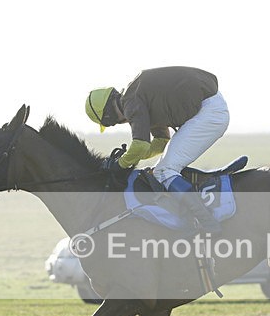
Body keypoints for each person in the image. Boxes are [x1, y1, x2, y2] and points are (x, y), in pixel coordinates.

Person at [85, 66, 229, 233]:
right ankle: (195, 216)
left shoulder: (130, 103)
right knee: (161, 170)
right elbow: (161, 142)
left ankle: (207, 222)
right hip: (211, 107)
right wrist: (131, 157)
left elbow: (140, 145)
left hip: (209, 113)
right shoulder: (140, 98)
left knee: (165, 170)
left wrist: (120, 164)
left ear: (108, 117)